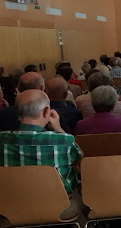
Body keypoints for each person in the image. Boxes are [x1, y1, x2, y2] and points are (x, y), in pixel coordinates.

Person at [0, 89, 84, 220]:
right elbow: (80, 162)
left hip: (12, 207)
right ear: (46, 112)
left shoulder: (1, 140)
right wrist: (59, 129)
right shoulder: (64, 140)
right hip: (61, 207)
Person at [74, 86, 121, 151]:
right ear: (113, 105)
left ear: (92, 104)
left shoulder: (81, 126)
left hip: (89, 160)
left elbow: (77, 147)